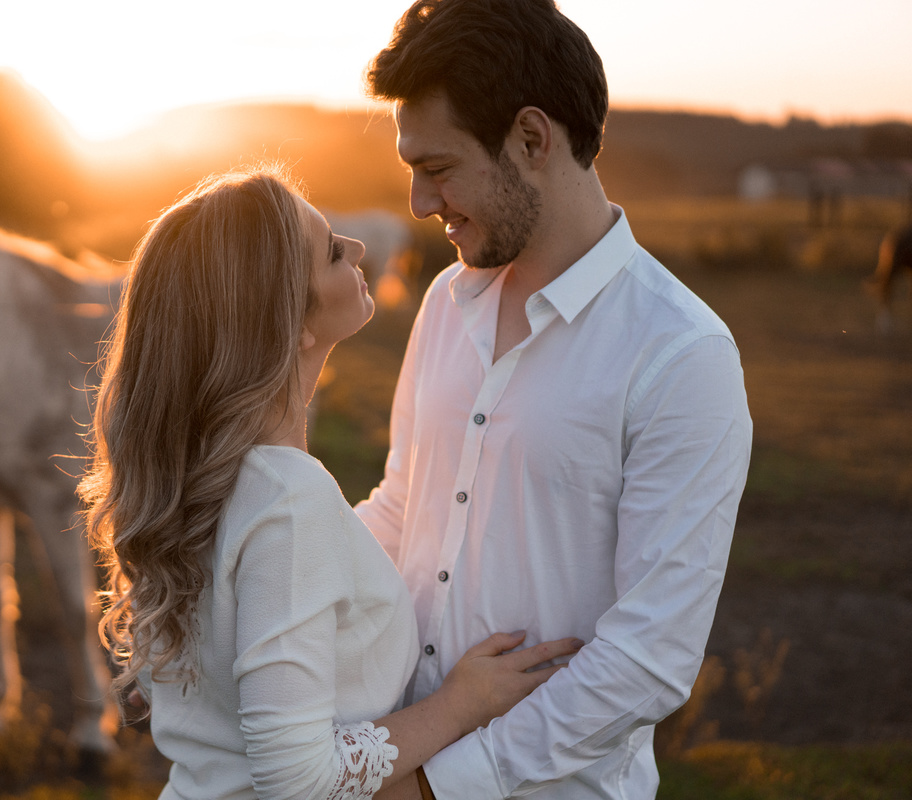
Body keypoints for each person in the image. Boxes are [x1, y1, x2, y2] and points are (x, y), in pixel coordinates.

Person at [353, 1, 754, 798]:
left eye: (437, 168)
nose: (420, 205)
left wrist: (442, 785)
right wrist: (242, 614)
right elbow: (403, 509)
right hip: (392, 756)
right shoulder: (444, 302)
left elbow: (646, 659)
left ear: (532, 140)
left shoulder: (682, 356)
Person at [80, 168, 584, 800]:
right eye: (331, 252)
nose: (360, 249)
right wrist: (461, 705)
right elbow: (297, 780)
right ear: (288, 325)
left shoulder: (197, 479)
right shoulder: (287, 503)